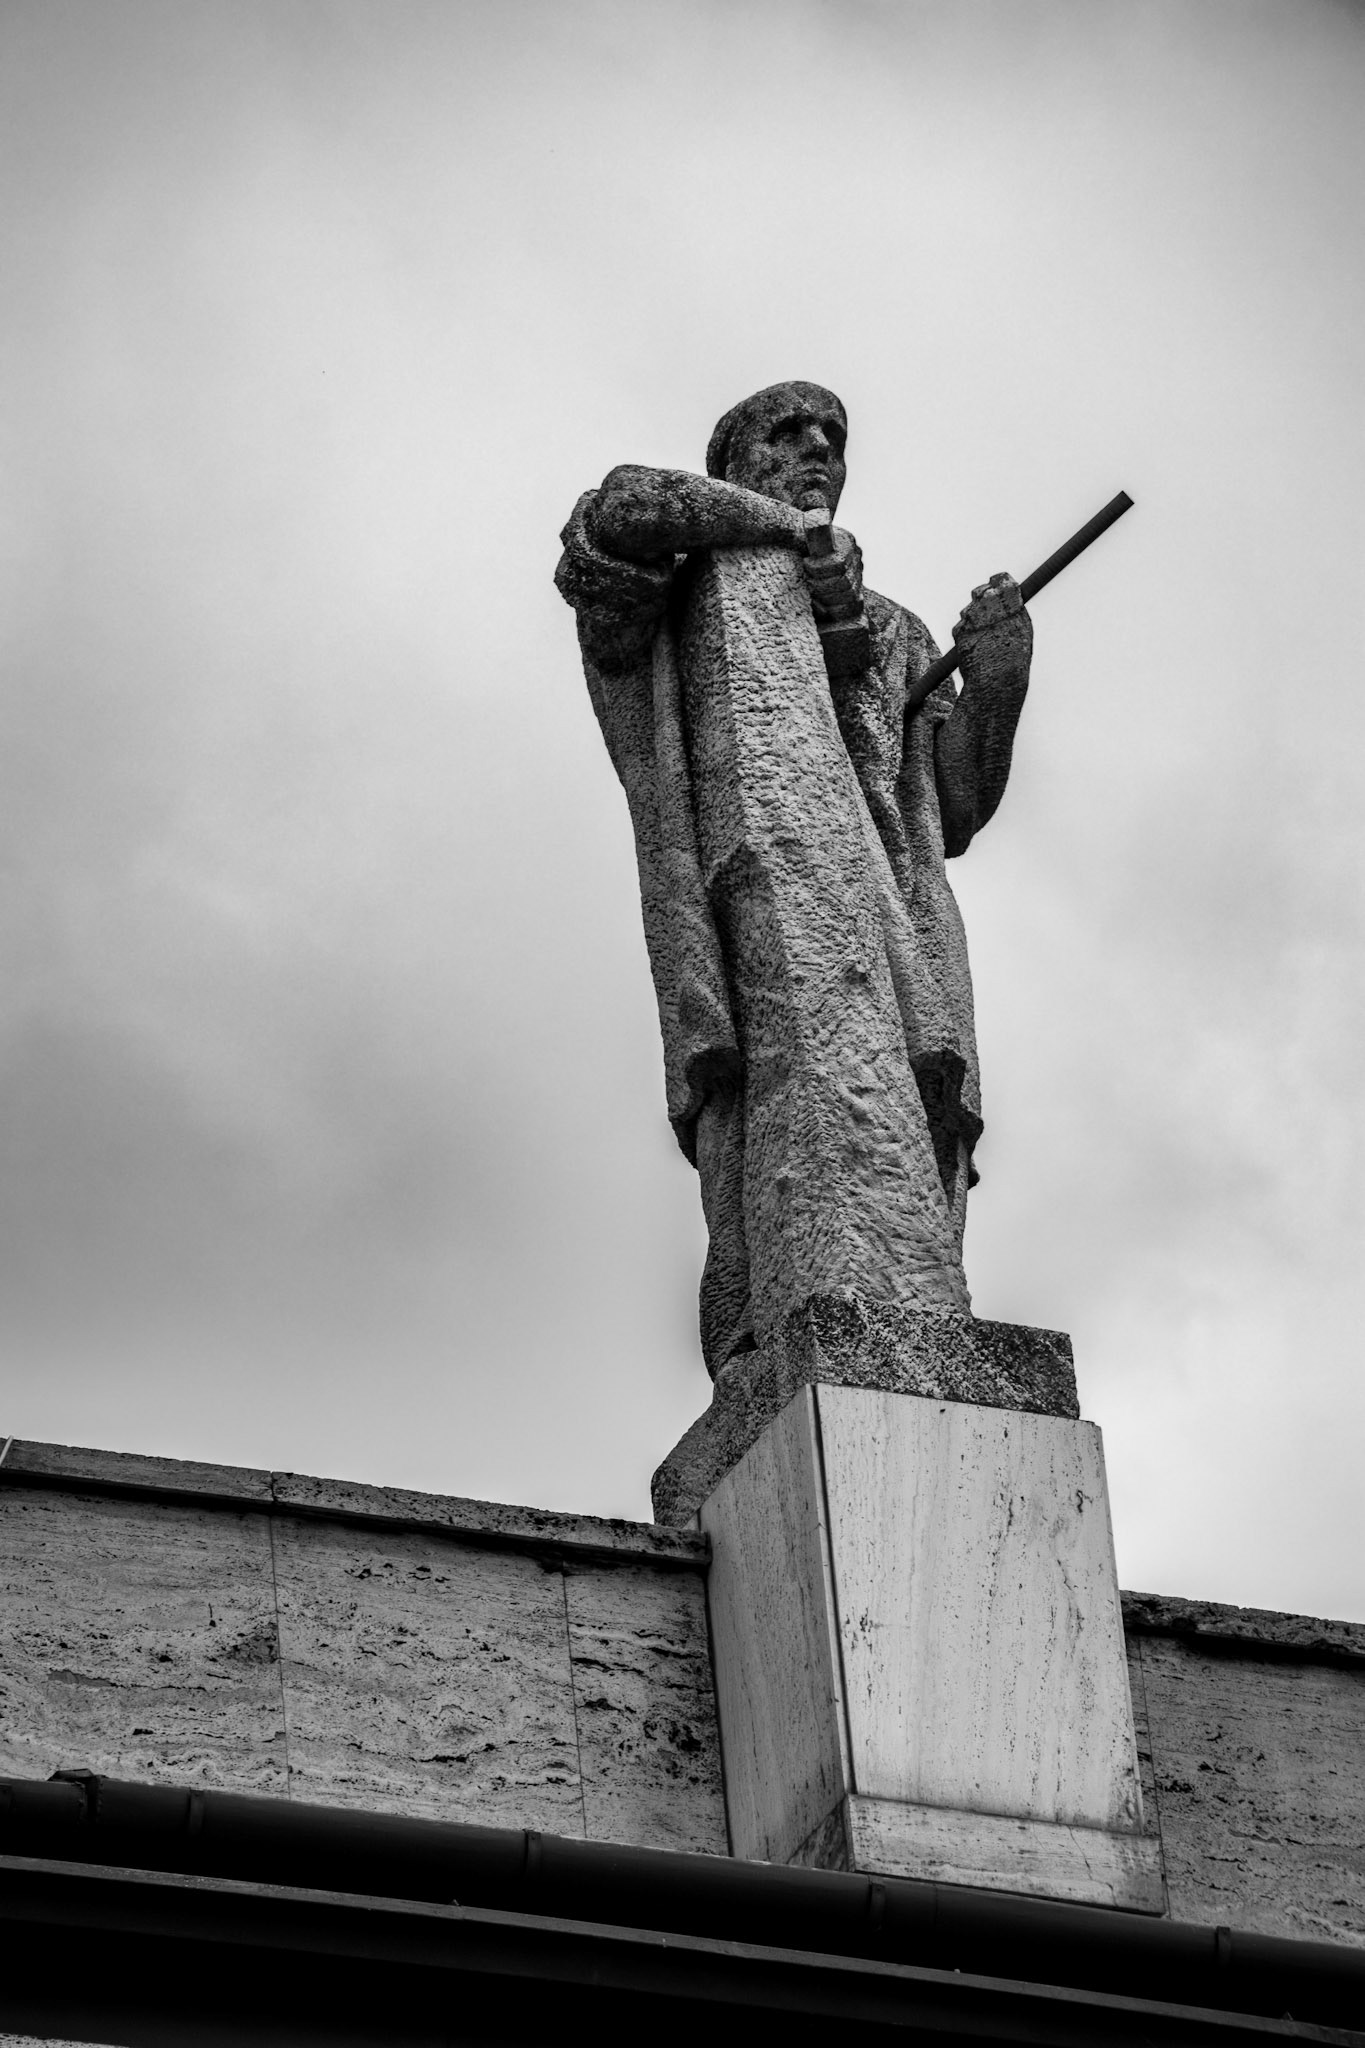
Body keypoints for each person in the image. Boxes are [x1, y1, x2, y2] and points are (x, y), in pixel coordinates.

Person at [555, 382, 1031, 1374]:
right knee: (763, 1126)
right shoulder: (676, 590)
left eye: (834, 436)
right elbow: (618, 511)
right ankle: (758, 1343)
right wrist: (792, 536)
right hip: (744, 917)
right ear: (736, 463)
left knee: (916, 1125)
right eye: (789, 432)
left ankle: (916, 1324)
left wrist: (999, 681)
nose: (819, 447)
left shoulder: (890, 629)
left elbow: (953, 804)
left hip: (897, 921)